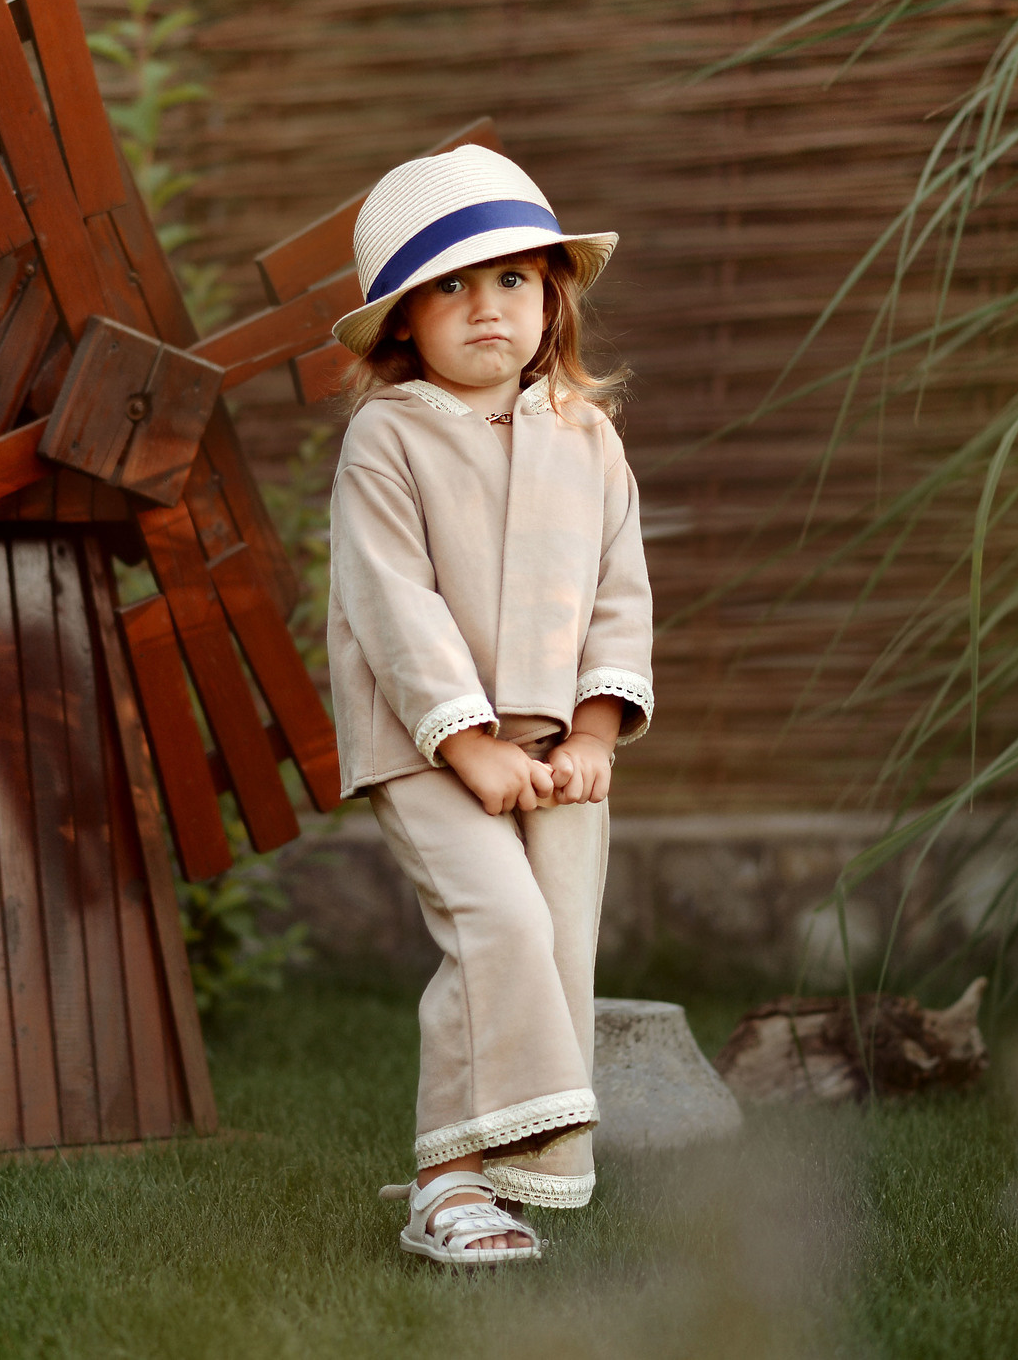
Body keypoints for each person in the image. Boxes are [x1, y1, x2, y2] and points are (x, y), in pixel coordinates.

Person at [325, 145, 653, 1265]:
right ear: (400, 322)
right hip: (425, 746)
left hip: (560, 744)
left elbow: (618, 589)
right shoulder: (390, 438)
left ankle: (512, 1165)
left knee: (554, 938)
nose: (486, 308)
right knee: (495, 925)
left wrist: (598, 729)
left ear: (551, 295)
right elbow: (393, 604)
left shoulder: (584, 434)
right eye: (451, 286)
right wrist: (466, 742)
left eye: (512, 278)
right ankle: (443, 1182)